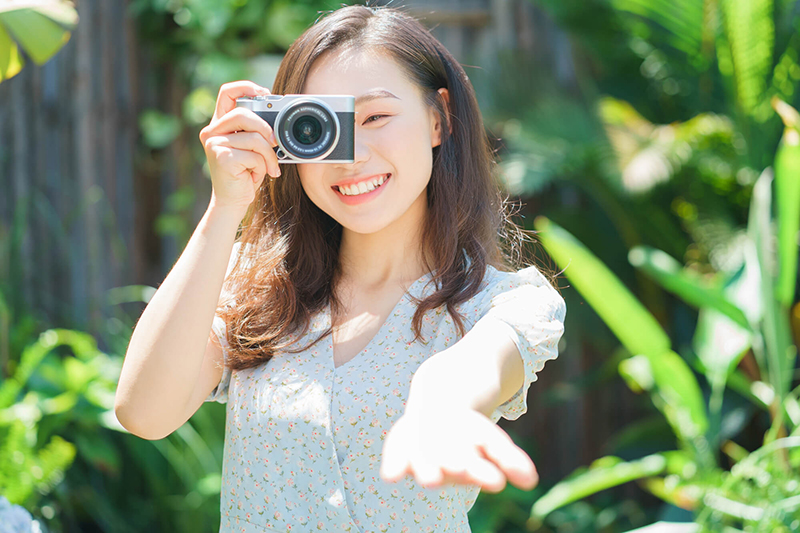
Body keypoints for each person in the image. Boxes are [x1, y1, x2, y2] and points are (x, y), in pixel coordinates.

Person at [115, 4, 567, 532]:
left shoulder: (507, 302)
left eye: (375, 117)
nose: (350, 159)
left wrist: (436, 404)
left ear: (438, 119)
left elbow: (472, 369)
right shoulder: (256, 288)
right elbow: (144, 413)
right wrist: (226, 207)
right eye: (319, 126)